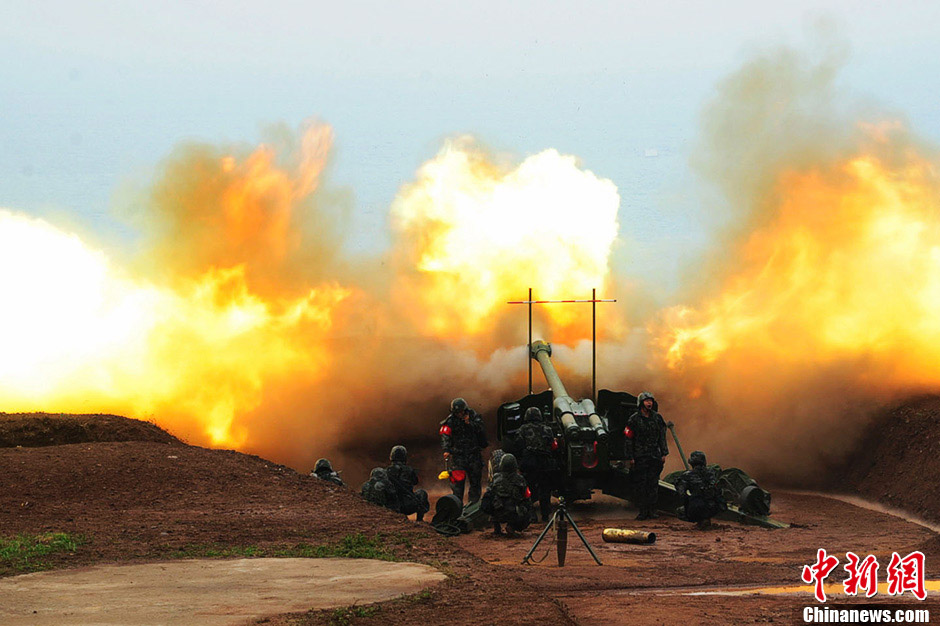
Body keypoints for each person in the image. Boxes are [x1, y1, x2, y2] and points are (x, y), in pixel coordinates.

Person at [624, 391, 669, 520]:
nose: (649, 403)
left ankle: (652, 510)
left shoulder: (657, 418)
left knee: (653, 484)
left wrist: (664, 453)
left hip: (654, 455)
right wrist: (630, 457)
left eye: (651, 401)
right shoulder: (634, 419)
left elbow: (662, 436)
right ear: (641, 403)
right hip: (640, 456)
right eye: (646, 401)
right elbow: (628, 439)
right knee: (641, 485)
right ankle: (643, 511)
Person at [440, 397, 488, 504]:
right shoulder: (450, 421)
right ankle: (457, 506)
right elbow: (445, 435)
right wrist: (446, 449)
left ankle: (473, 507)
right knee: (457, 485)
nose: (459, 414)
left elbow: (481, 429)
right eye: (457, 412)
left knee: (475, 482)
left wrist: (469, 423)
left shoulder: (474, 416)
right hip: (458, 456)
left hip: (473, 454)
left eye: (461, 412)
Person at [517, 407, 556, 523]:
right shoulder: (547, 429)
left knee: (528, 490)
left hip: (530, 464)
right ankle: (545, 516)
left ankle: (532, 516)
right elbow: (553, 446)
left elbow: (518, 445)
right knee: (545, 491)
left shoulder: (522, 430)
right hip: (545, 464)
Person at [480, 453, 531, 536]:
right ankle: (512, 526)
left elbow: (489, 494)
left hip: (498, 512)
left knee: (492, 499)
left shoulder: (496, 478)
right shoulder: (520, 479)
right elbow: (526, 496)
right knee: (526, 509)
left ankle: (497, 528)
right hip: (513, 513)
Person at [674, 451, 727, 529]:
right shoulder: (712, 472)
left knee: (680, 511)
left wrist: (688, 501)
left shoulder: (687, 475)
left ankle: (700, 520)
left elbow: (681, 493)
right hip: (714, 507)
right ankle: (706, 519)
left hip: (697, 507)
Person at [385, 445, 430, 521]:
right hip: (407, 505)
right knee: (422, 493)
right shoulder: (409, 470)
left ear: (391, 456)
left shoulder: (386, 471)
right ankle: (419, 520)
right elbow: (415, 482)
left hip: (392, 507)